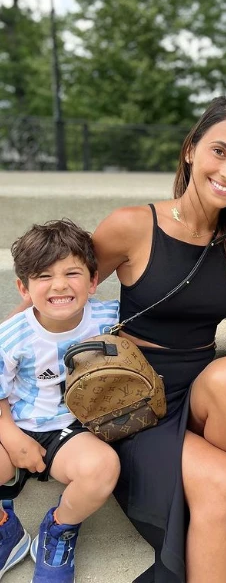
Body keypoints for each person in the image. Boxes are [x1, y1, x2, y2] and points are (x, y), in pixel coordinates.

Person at [91, 96, 226, 583]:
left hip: (199, 399)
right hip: (136, 405)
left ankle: (220, 527)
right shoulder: (133, 225)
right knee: (222, 479)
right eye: (220, 151)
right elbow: (56, 288)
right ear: (191, 150)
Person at [0, 219, 120, 583]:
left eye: (72, 273)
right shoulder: (12, 335)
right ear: (23, 288)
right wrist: (12, 437)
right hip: (13, 426)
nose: (59, 285)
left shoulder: (109, 319)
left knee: (102, 468)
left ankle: (58, 530)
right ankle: (6, 531)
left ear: (93, 280)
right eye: (43, 276)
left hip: (69, 433)